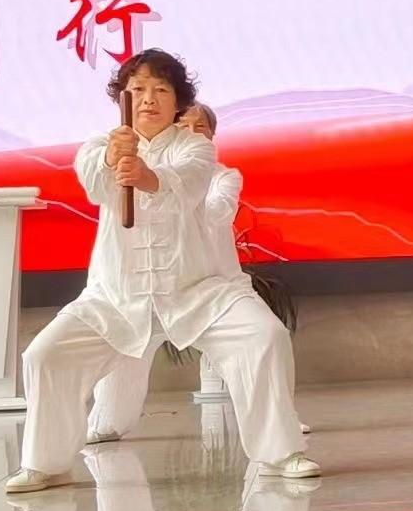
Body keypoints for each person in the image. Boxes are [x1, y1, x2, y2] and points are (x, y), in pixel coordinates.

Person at [6, 50, 317, 493]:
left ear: (178, 101)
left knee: (264, 336)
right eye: (137, 89)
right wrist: (112, 159)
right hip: (116, 295)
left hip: (200, 290)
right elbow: (95, 184)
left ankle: (281, 453)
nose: (148, 99)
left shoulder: (196, 147)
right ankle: (46, 463)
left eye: (161, 90)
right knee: (44, 355)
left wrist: (147, 176)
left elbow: (188, 187)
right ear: (122, 98)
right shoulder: (100, 145)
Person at [84, 102, 312, 442]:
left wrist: (173, 189)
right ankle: (107, 421)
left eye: (199, 127)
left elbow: (217, 213)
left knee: (262, 341)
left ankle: (280, 426)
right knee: (115, 392)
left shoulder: (223, 177)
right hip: (144, 294)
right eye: (183, 126)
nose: (191, 133)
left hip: (209, 291)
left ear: (212, 136)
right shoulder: (138, 174)